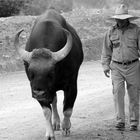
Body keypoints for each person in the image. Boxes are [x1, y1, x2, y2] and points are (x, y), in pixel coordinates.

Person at [101, 4, 140, 131]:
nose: (120, 20)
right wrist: (105, 66)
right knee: (118, 93)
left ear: (127, 18)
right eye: (118, 18)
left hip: (133, 66)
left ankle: (134, 122)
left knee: (134, 94)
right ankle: (120, 121)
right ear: (116, 19)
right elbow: (106, 51)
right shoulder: (110, 31)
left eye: (123, 18)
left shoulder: (136, 30)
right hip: (116, 67)